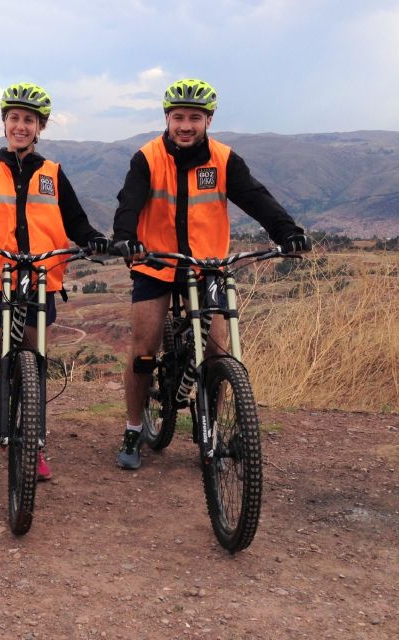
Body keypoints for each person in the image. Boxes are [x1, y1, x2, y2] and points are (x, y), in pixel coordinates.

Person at [111, 78, 311, 470]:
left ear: (208, 120)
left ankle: (211, 431)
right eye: (179, 117)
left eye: (195, 118)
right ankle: (134, 427)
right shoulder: (148, 157)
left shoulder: (223, 159)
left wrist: (287, 230)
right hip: (156, 262)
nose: (186, 125)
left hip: (208, 266)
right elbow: (129, 202)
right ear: (167, 119)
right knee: (144, 349)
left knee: (218, 350)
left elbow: (255, 197)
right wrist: (124, 236)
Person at [0, 82, 110, 490]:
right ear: (4, 122)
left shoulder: (53, 174)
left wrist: (95, 238)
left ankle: (35, 445)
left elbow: (77, 222)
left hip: (40, 281)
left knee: (34, 368)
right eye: (14, 118)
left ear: (40, 126)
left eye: (28, 120)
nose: (20, 125)